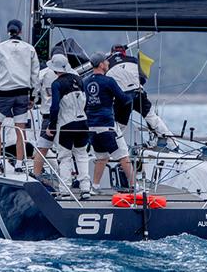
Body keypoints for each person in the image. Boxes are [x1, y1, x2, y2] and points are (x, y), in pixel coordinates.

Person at [0, 19, 39, 173]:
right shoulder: (29, 49)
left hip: (4, 94)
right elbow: (34, 75)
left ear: (8, 31)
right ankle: (19, 164)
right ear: (20, 31)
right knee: (20, 129)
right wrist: (33, 97)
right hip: (23, 93)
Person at [106, 44, 177, 149]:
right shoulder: (134, 60)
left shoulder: (106, 64)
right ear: (124, 52)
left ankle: (115, 150)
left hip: (122, 98)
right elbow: (142, 80)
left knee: (120, 126)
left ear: (111, 52)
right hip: (138, 93)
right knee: (152, 118)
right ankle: (174, 144)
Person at [83, 52, 134, 190]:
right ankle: (134, 187)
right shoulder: (108, 81)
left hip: (92, 126)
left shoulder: (85, 81)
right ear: (101, 64)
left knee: (101, 158)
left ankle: (95, 186)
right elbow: (123, 99)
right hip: (107, 125)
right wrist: (131, 95)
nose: (108, 63)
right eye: (106, 61)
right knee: (124, 156)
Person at [46, 54, 91, 198]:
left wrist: (51, 126)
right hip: (83, 122)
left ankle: (65, 190)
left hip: (66, 124)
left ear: (54, 69)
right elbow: (87, 101)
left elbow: (54, 108)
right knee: (82, 155)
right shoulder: (79, 80)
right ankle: (85, 189)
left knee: (64, 157)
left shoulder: (56, 84)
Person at [32, 60, 58, 177]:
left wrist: (33, 99)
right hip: (66, 117)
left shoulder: (43, 73)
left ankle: (36, 175)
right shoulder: (72, 74)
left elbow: (35, 88)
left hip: (48, 116)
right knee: (66, 151)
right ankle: (70, 180)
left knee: (42, 148)